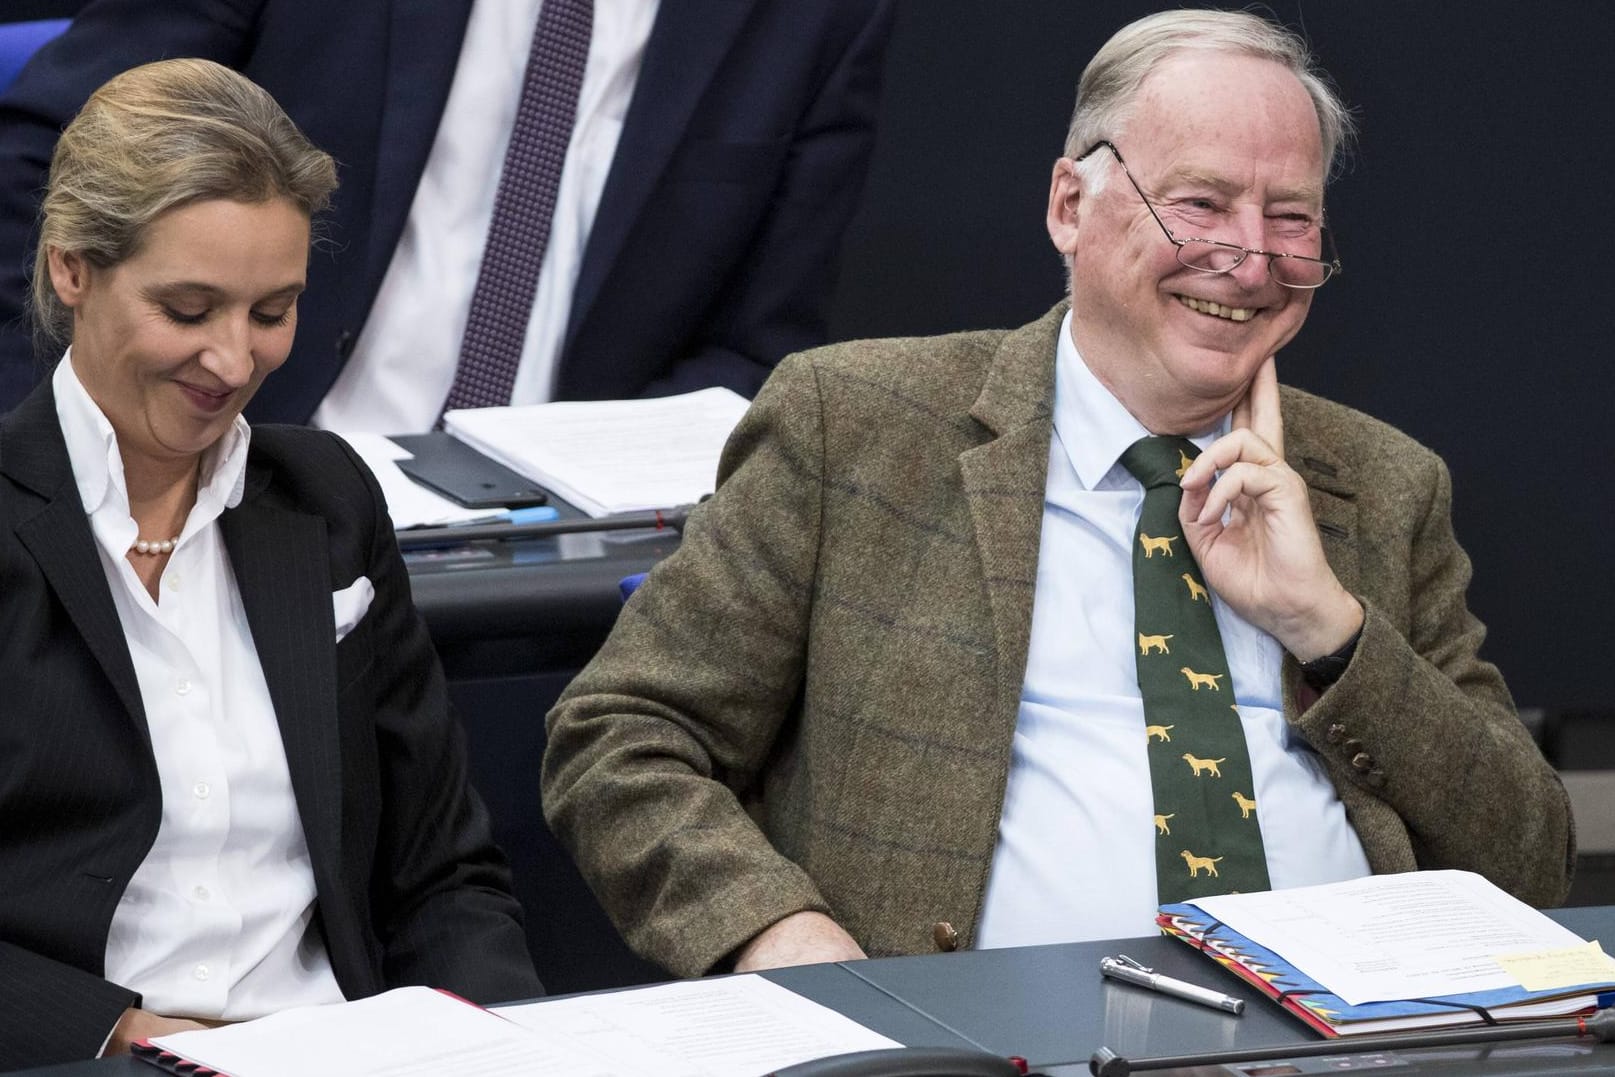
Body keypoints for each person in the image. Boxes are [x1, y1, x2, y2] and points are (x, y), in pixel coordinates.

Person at [540, 9, 1574, 978]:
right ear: (1070, 207)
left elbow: (1529, 858)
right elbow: (622, 735)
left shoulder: (1380, 484)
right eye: (1200, 203)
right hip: (976, 1040)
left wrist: (1327, 626)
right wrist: (774, 930)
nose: (1247, 257)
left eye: (1289, 217)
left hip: (1345, 1035)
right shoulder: (856, 426)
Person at [0, 59, 540, 1070]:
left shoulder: (327, 498)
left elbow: (443, 876)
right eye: (190, 309)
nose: (234, 362)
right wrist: (118, 1032)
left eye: (272, 311)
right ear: (72, 268)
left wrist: (503, 1048)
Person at [0, 0, 895, 428]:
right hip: (231, 469)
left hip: (549, 579)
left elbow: (756, 350)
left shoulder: (819, 18)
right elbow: (57, 165)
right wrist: (47, 457)